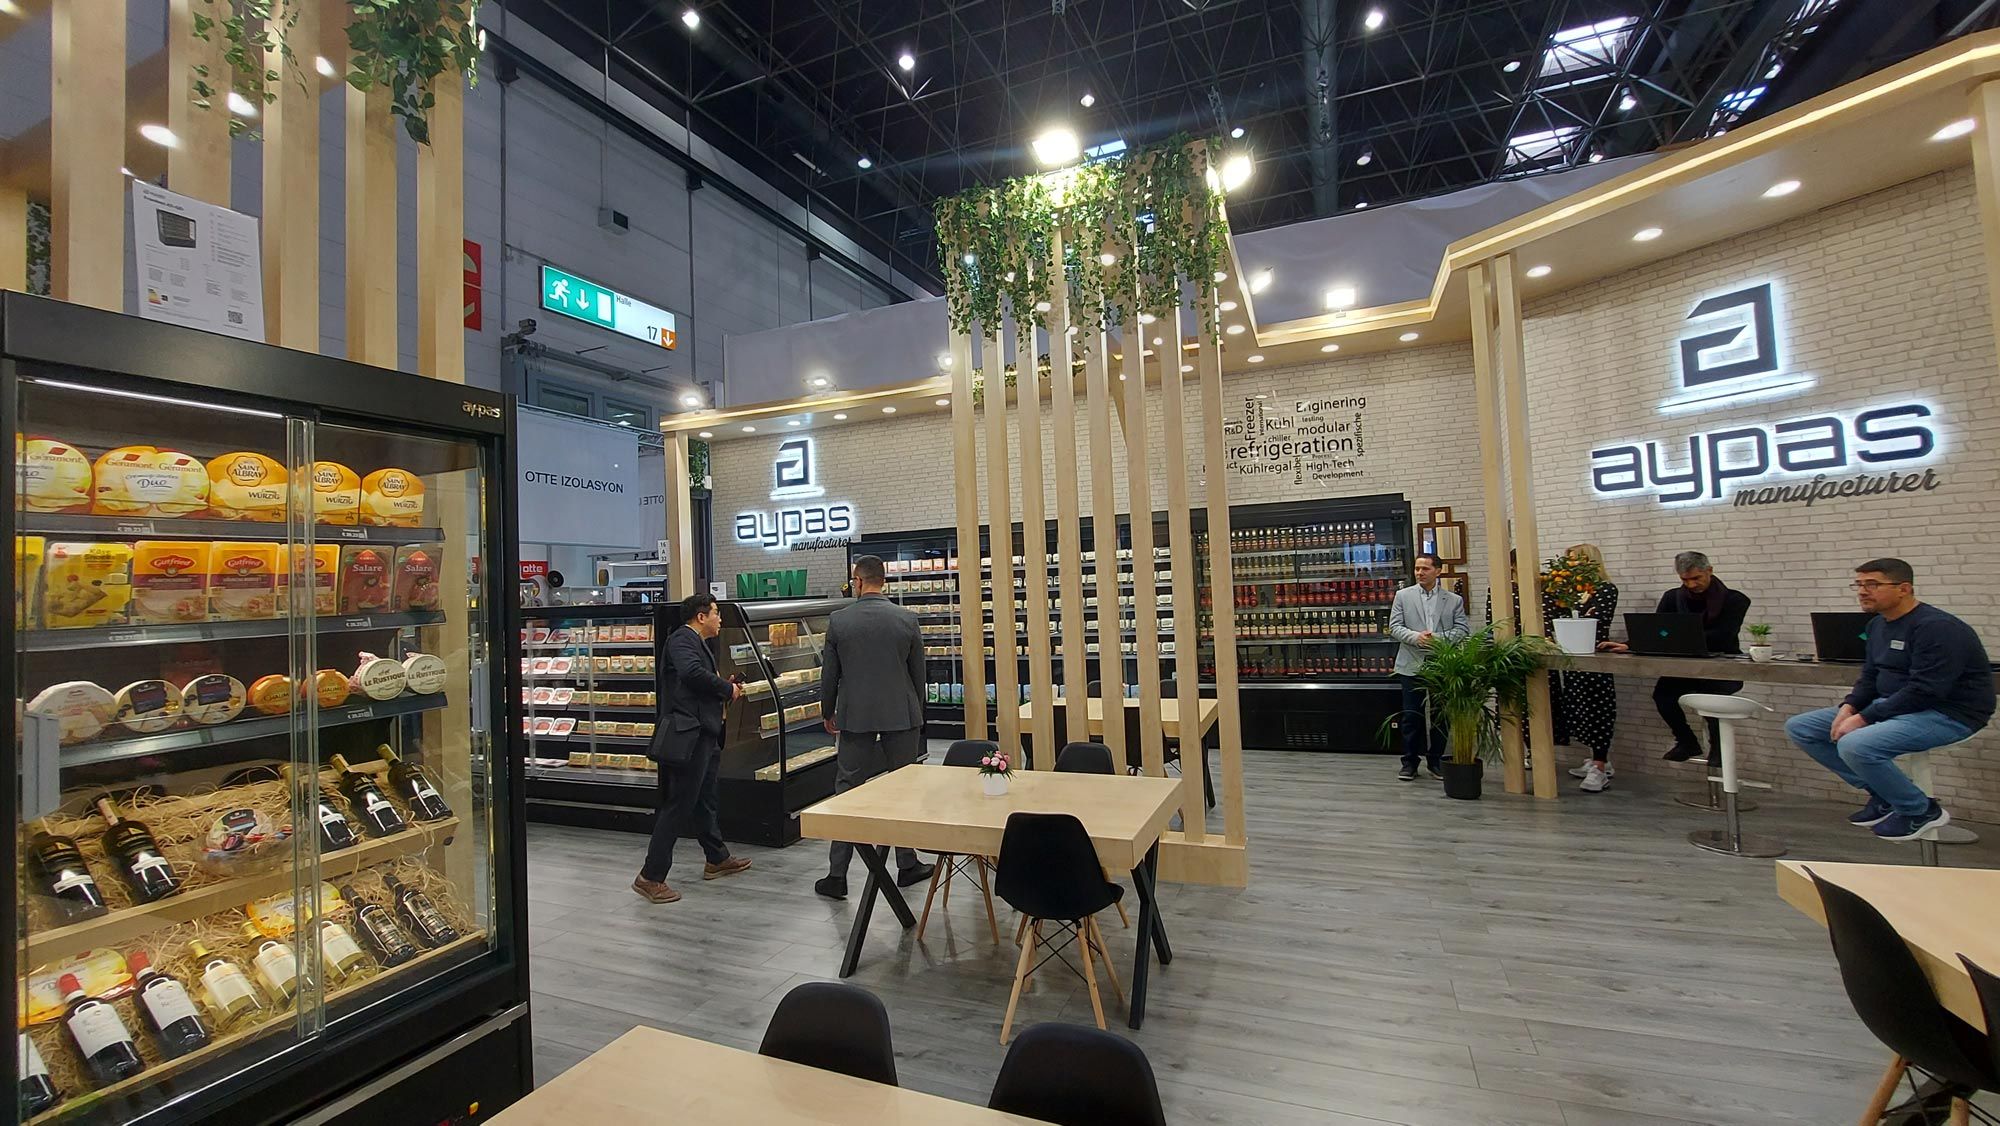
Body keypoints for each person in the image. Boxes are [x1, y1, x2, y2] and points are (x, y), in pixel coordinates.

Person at [1785, 558, 1992, 840]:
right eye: (1858, 584)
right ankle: (1883, 793)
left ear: (1904, 589)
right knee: (1802, 728)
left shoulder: (1937, 627)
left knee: (1856, 745)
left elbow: (1926, 690)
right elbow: (1870, 676)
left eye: (1872, 584)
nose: (1862, 591)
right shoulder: (1876, 626)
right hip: (1895, 705)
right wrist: (1849, 707)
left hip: (1948, 713)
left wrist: (1864, 718)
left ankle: (1919, 809)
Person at [815, 555, 934, 900]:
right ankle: (907, 863)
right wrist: (916, 712)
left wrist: (827, 710)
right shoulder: (906, 619)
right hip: (901, 711)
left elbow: (830, 674)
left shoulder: (839, 620)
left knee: (848, 789)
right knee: (904, 788)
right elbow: (918, 674)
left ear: (858, 581)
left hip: (856, 714)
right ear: (884, 581)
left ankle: (837, 875)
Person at [634, 592, 752, 904]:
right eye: (716, 613)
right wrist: (726, 688)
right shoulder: (682, 640)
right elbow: (692, 674)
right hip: (690, 735)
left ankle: (716, 858)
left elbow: (696, 682)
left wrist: (723, 687)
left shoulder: (697, 642)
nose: (720, 619)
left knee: (704, 799)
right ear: (701, 616)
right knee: (679, 804)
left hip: (704, 733)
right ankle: (650, 876)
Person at [1599, 550, 1751, 762]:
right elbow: (1658, 630)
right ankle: (1686, 741)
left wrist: (1679, 636)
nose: (1691, 585)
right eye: (1684, 580)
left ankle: (1718, 751)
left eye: (1696, 578)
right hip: (1684, 668)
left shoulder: (1735, 600)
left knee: (1712, 703)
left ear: (1709, 570)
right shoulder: (1673, 597)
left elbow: (1724, 635)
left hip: (1721, 669)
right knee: (1663, 697)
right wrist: (1629, 645)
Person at [1387, 551, 1469, 782]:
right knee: (1411, 716)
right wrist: (1417, 637)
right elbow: (1395, 627)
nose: (1420, 573)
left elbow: (1462, 629)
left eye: (1425, 569)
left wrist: (1437, 639)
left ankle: (1436, 761)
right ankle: (1409, 763)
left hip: (1441, 664)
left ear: (1438, 571)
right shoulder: (1403, 596)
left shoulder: (1453, 600)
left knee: (1441, 716)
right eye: (1417, 569)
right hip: (1411, 664)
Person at [1549, 544, 1620, 793]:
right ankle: (1595, 759)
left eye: (1575, 561)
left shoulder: (1606, 589)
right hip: (1571, 658)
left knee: (1598, 708)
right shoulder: (1569, 592)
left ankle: (1600, 764)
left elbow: (1598, 619)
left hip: (1594, 657)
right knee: (1578, 708)